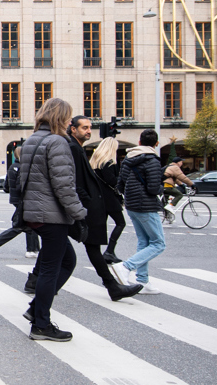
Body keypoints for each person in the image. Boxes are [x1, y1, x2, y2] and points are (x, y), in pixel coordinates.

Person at [18, 98, 87, 341]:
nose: (70, 122)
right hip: (51, 215)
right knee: (51, 268)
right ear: (61, 117)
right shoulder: (57, 141)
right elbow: (64, 185)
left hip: (35, 212)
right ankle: (41, 324)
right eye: (68, 117)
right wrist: (79, 212)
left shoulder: (32, 139)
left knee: (67, 260)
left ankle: (36, 309)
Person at [68, 117, 142, 302]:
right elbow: (73, 179)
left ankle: (112, 286)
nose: (88, 131)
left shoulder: (78, 148)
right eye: (84, 128)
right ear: (73, 129)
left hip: (87, 205)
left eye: (89, 127)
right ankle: (112, 286)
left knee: (78, 249)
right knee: (78, 249)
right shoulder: (73, 148)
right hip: (85, 206)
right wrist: (86, 200)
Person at [111, 128, 165, 295]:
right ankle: (126, 267)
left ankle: (142, 280)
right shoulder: (153, 160)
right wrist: (162, 188)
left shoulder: (129, 158)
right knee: (158, 243)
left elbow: (120, 184)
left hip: (131, 204)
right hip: (146, 205)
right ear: (156, 144)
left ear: (139, 142)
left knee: (144, 242)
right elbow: (153, 188)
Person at [0, 142, 40, 263]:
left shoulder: (13, 166)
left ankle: (33, 250)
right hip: (23, 200)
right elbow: (20, 186)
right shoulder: (23, 167)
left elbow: (6, 186)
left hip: (16, 199)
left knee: (29, 224)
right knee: (21, 226)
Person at [89, 135, 127, 264]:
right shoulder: (109, 162)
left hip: (98, 198)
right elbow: (111, 180)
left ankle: (98, 252)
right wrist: (120, 180)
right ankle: (110, 251)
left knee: (101, 225)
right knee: (120, 223)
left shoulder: (94, 163)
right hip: (110, 198)